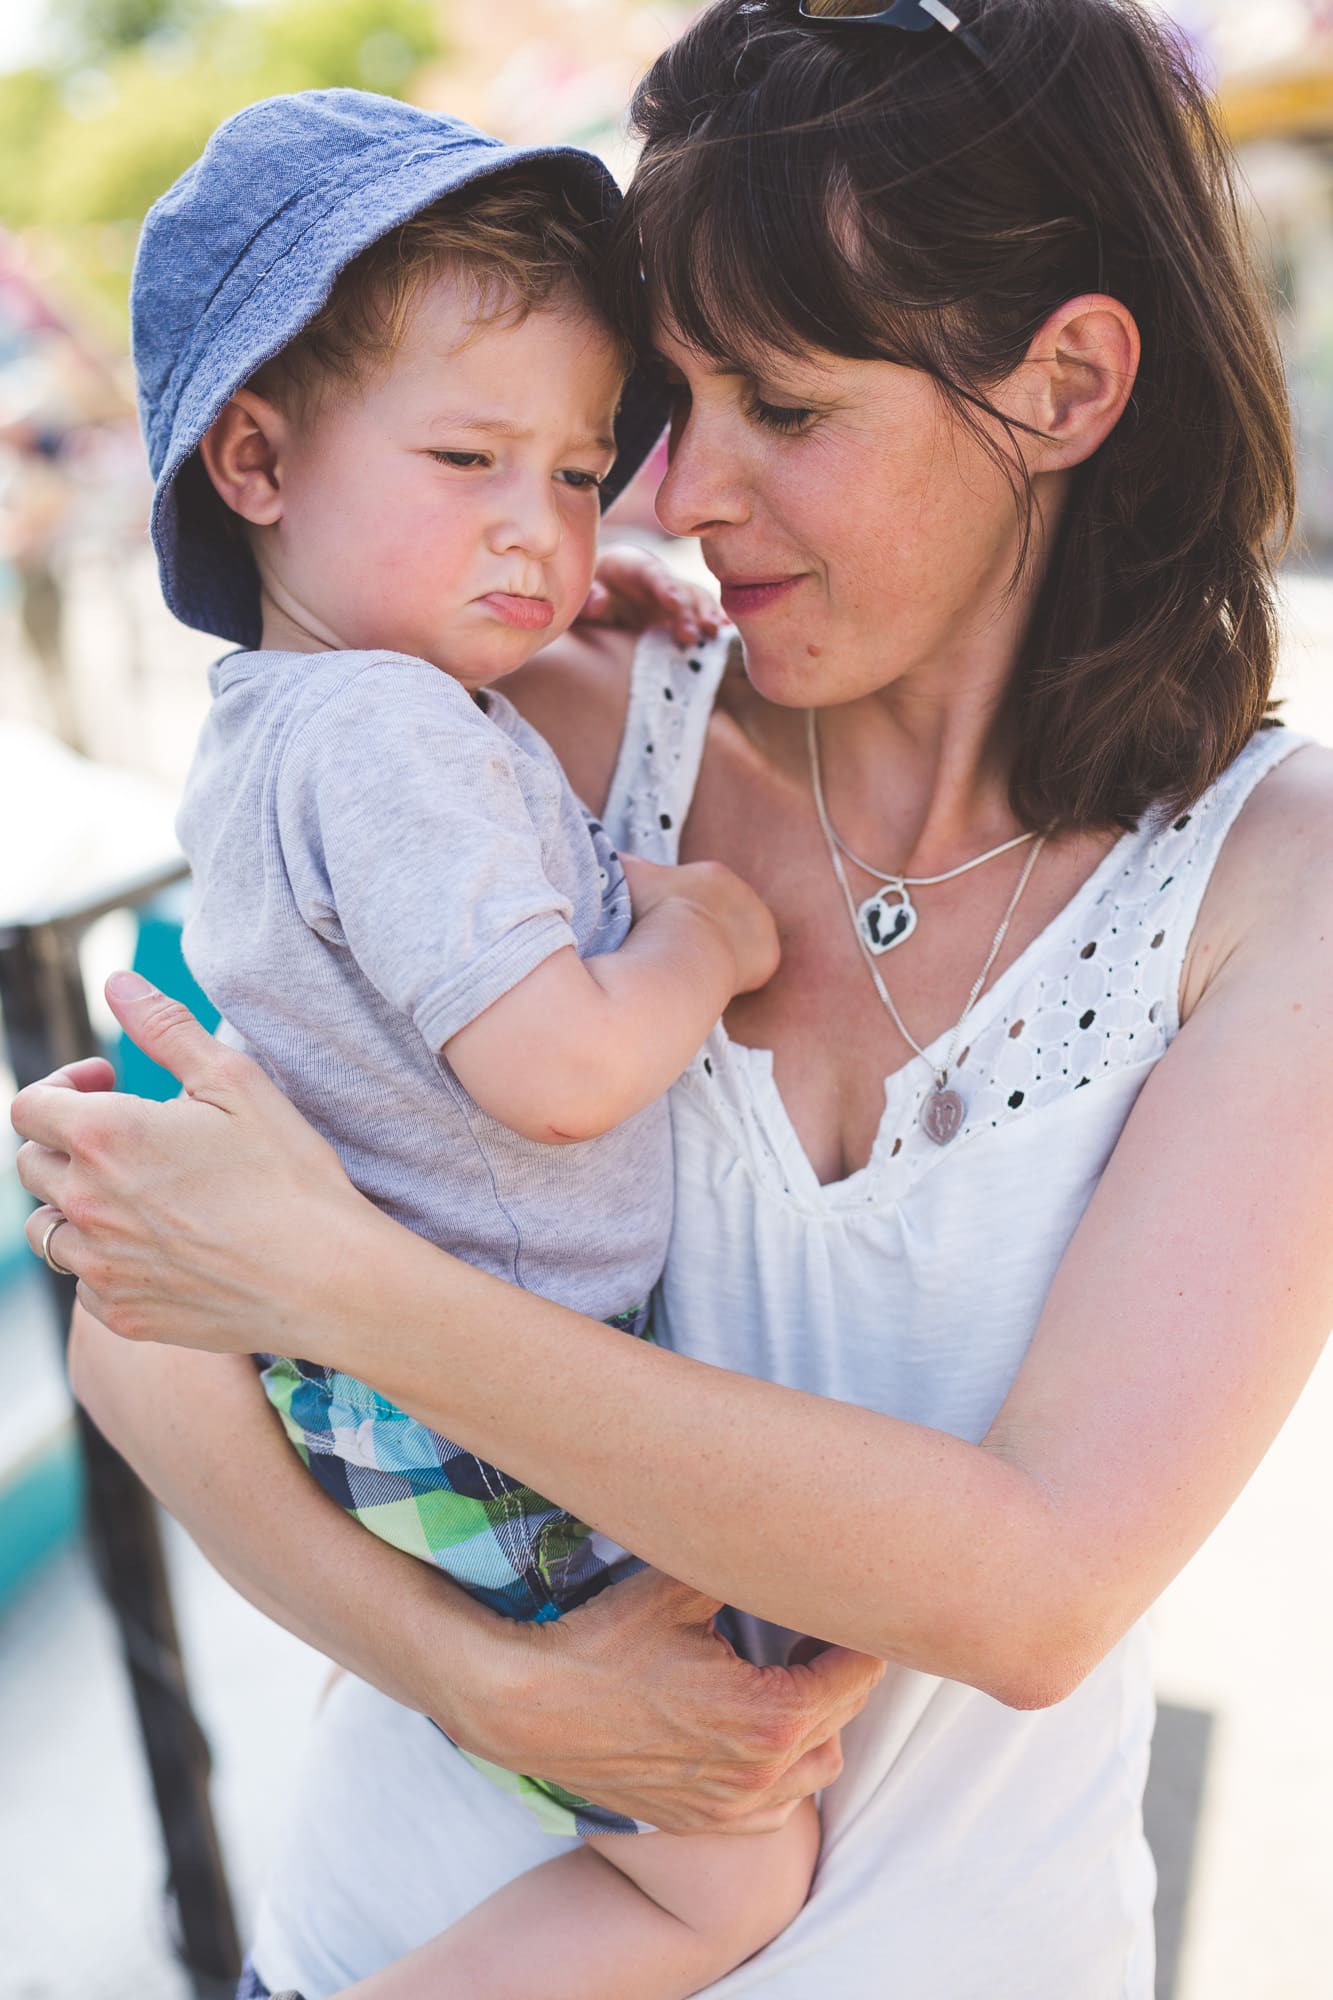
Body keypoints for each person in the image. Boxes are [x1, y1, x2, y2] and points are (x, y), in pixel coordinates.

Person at [14, 2, 1333, 1994]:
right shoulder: (498, 717)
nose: (674, 497)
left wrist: (357, 1294)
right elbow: (142, 1312)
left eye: (785, 411)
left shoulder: (1276, 885)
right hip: (393, 1936)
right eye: (666, 405)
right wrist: (495, 1684)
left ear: (1064, 384)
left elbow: (1040, 1580)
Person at [124, 87, 817, 2000]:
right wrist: (702, 935)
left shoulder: (295, 709)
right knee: (724, 1871)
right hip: (492, 1402)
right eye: (470, 459)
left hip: (393, 1392)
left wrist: (527, 570)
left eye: (582, 476)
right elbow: (558, 1070)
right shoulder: (399, 737)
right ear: (253, 456)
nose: (538, 529)